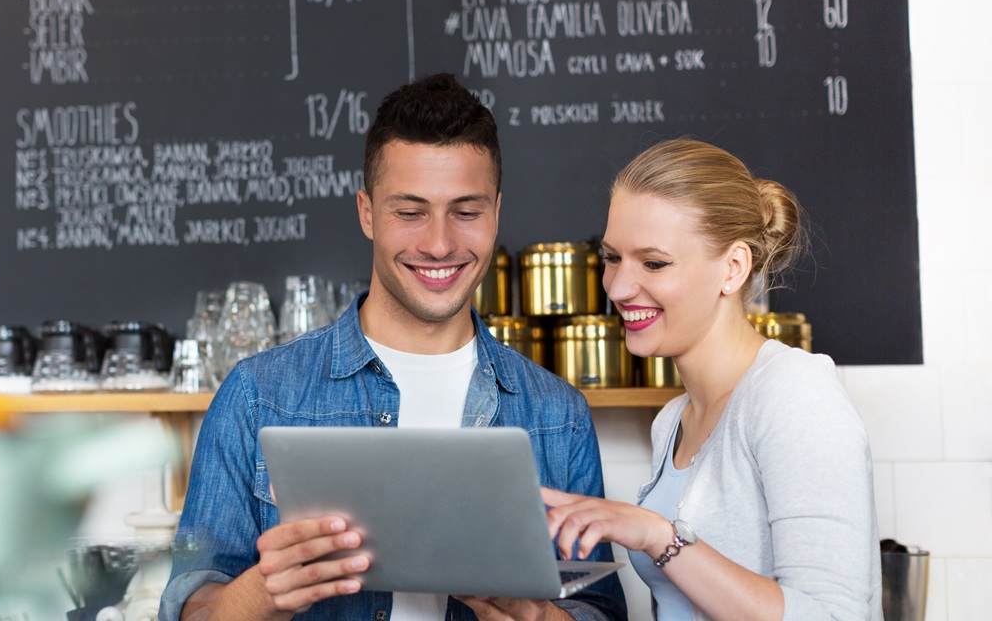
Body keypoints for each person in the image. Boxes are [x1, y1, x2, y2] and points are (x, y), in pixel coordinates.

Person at [159, 73, 628, 621]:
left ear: (497, 211)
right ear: (366, 213)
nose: (439, 243)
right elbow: (191, 609)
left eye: (466, 211)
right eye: (410, 212)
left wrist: (535, 616)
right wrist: (266, 591)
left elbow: (599, 611)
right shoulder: (258, 395)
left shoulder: (557, 414)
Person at [543, 139, 882, 621]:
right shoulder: (672, 423)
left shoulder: (793, 395)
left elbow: (832, 616)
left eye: (654, 262)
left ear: (733, 267)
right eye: (612, 257)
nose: (618, 287)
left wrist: (661, 537)